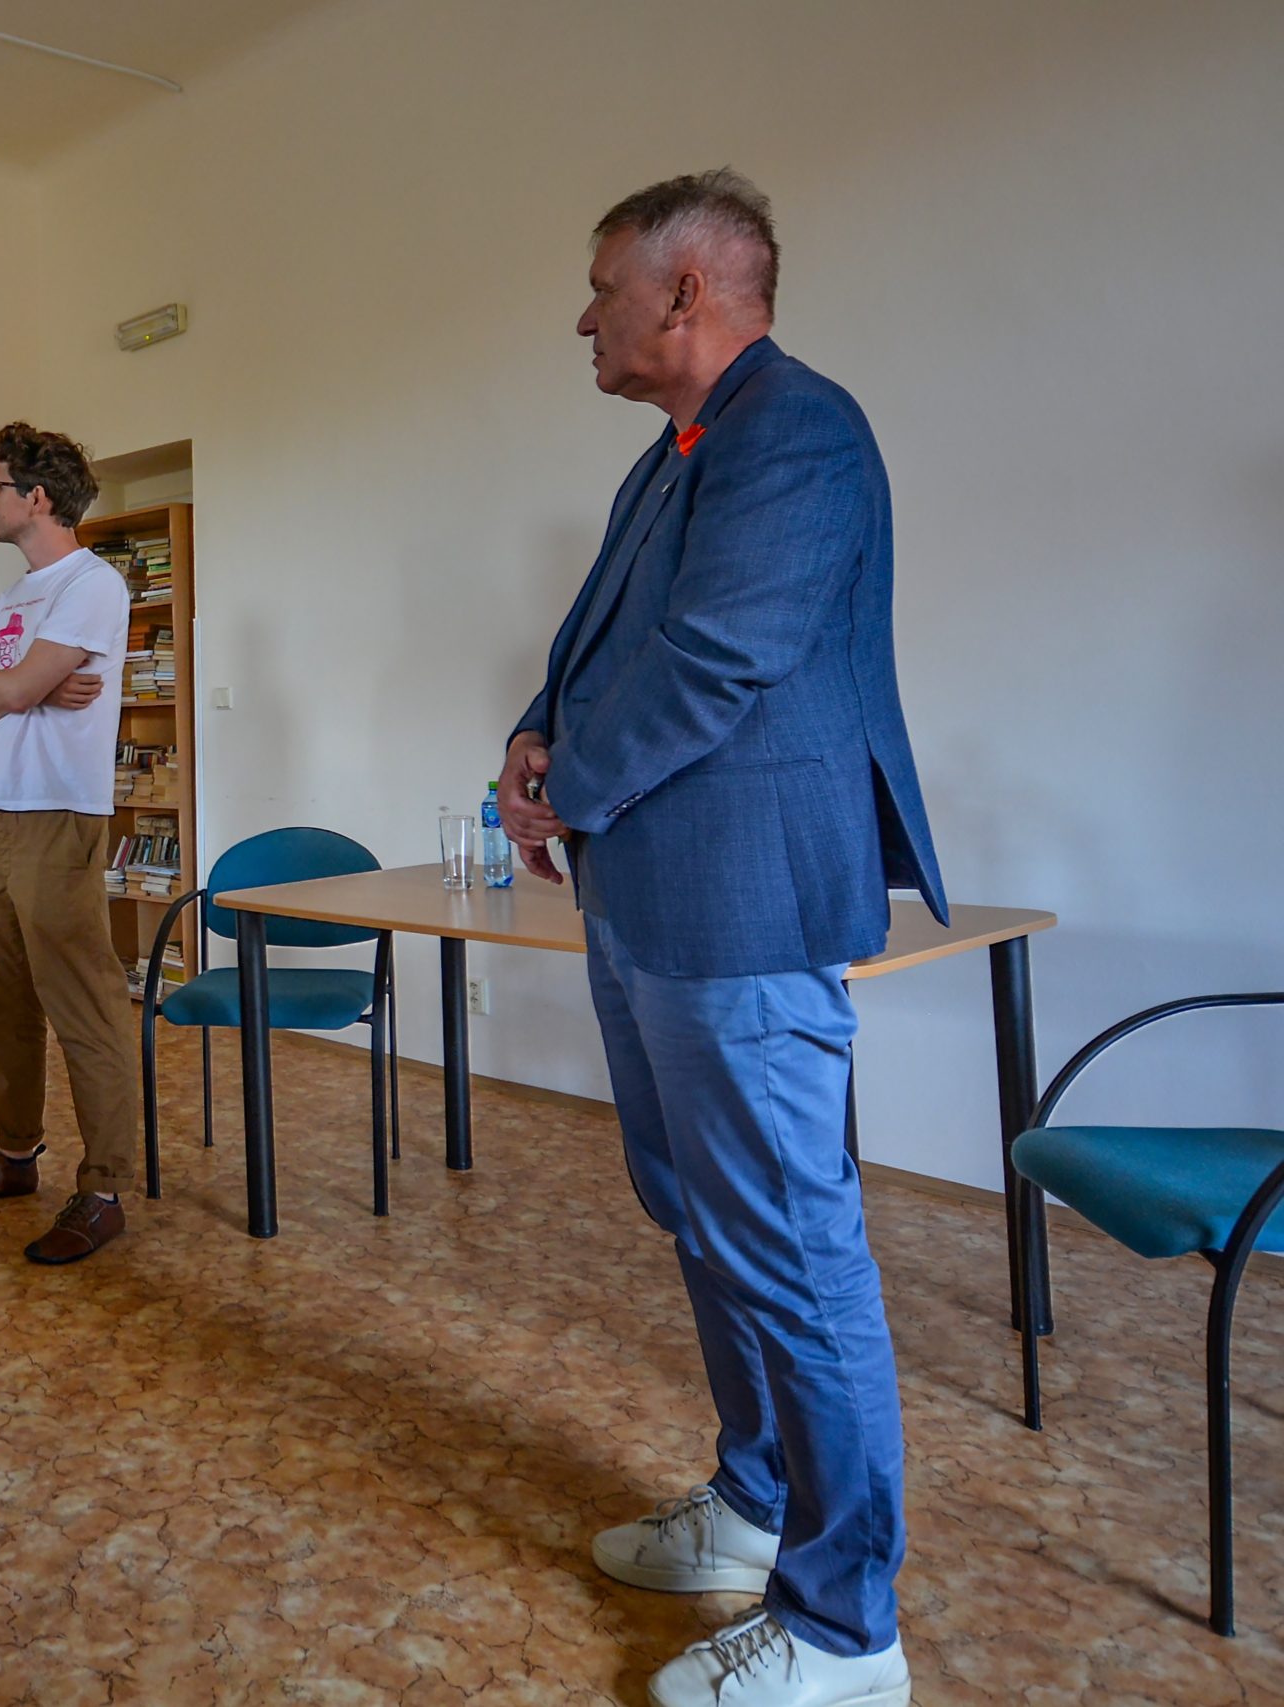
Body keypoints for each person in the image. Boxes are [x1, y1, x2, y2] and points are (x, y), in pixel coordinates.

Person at [498, 170, 945, 1707]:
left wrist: (566, 791)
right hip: (651, 895)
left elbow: (713, 660)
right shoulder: (671, 454)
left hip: (742, 904)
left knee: (793, 1246)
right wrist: (535, 733)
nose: (586, 318)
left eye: (603, 287)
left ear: (686, 290)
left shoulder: (798, 431)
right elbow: (601, 643)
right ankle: (756, 1502)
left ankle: (847, 1627)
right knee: (705, 1213)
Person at [0, 422, 138, 1265]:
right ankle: (15, 1155)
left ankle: (104, 1189)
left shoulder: (93, 584)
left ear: (36, 497)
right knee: (0, 1003)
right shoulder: (12, 597)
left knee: (82, 1004)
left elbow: (0, 691)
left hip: (59, 814)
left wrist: (3, 687)